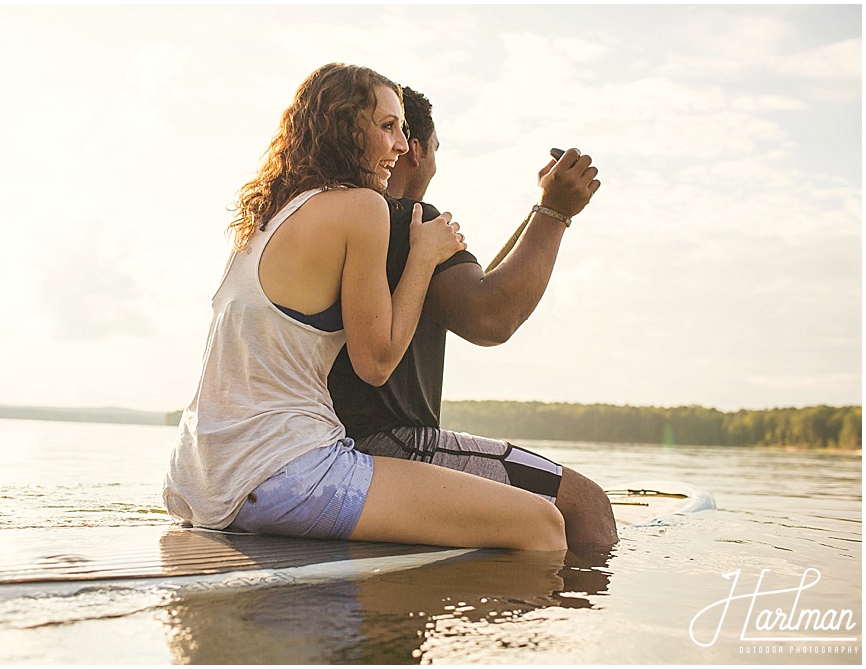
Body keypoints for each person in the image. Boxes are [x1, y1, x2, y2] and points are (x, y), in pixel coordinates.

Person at [164, 63, 569, 552]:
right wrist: (423, 257)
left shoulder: (267, 215)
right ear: (343, 127)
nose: (402, 146)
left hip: (198, 479)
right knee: (543, 526)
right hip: (284, 470)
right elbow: (376, 363)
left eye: (403, 130)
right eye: (387, 127)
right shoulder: (362, 208)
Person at [328, 86, 618, 547]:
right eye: (435, 149)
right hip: (387, 445)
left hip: (323, 447)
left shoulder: (337, 217)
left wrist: (540, 210)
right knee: (586, 508)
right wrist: (556, 213)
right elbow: (489, 317)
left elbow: (473, 290)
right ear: (414, 148)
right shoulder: (410, 220)